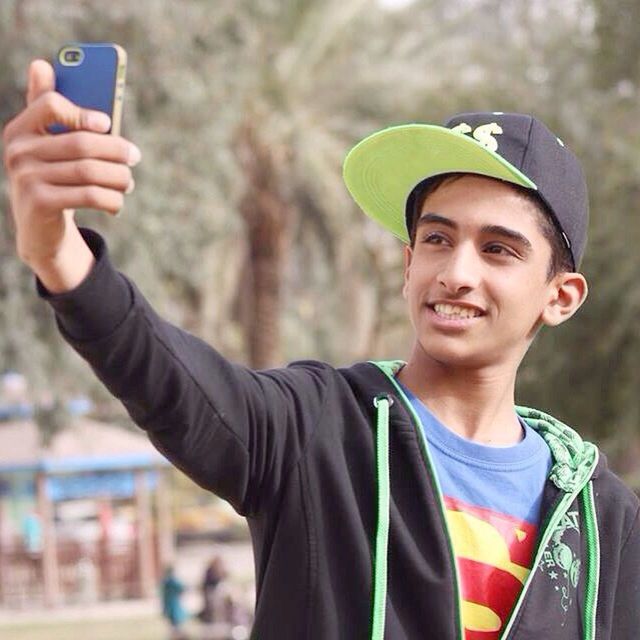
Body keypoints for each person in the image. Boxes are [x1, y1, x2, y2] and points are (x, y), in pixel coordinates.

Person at [3, 59, 639, 640]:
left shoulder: (603, 516)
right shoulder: (314, 430)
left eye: (497, 249)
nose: (456, 272)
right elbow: (171, 379)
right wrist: (60, 256)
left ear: (562, 296)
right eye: (438, 239)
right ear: (408, 262)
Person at [160, 566, 189, 640]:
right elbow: (183, 588)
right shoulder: (173, 582)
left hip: (169, 608)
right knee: (177, 627)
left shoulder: (164, 582)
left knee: (173, 627)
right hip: (175, 608)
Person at [198, 556, 226, 624]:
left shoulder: (220, 569)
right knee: (211, 607)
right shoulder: (209, 571)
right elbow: (206, 583)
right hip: (210, 591)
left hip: (217, 591)